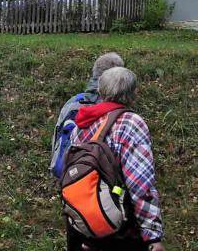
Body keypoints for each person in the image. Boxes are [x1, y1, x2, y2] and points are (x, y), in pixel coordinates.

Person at [67, 66, 164, 251]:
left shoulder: (82, 123)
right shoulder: (131, 123)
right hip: (118, 228)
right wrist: (152, 236)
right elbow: (140, 183)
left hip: (83, 222)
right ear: (134, 93)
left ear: (100, 90)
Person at [50, 52, 125, 178]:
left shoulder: (72, 102)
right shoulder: (115, 109)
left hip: (67, 178)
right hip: (99, 183)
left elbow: (57, 140)